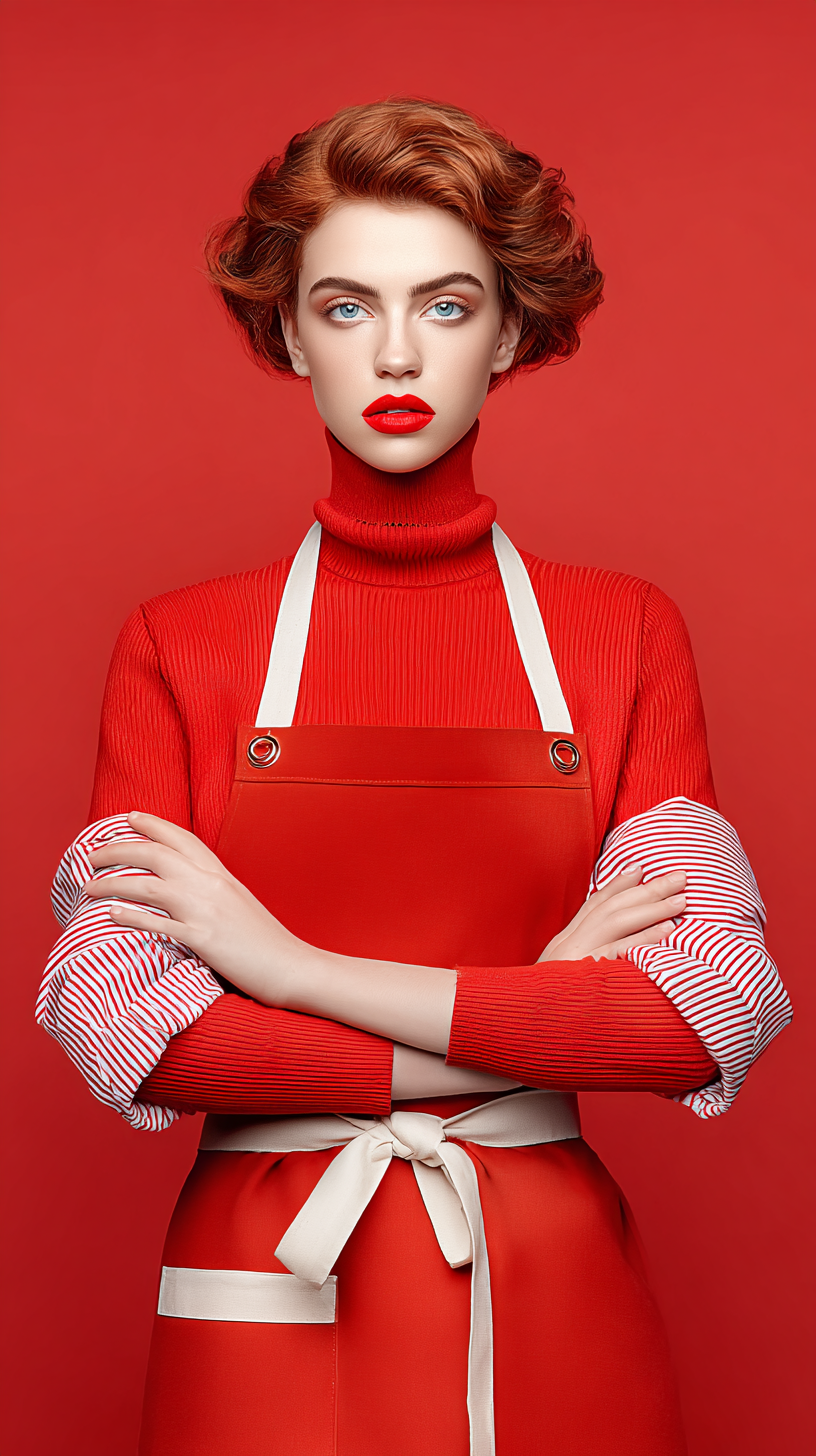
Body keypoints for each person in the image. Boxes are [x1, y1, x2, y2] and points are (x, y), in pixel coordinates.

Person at [37, 98, 791, 1456]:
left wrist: (278, 964)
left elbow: (710, 1015)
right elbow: (126, 1029)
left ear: (509, 332)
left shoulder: (622, 634)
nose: (394, 353)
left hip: (559, 1288)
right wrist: (545, 1007)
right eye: (344, 307)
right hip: (274, 1283)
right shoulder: (178, 644)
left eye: (445, 307)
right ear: (286, 333)